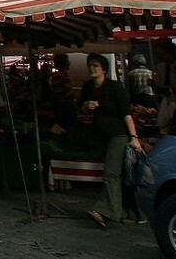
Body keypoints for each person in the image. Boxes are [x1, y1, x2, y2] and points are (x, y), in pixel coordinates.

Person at [81, 53, 143, 228]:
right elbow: (82, 107)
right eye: (90, 66)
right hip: (101, 136)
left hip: (118, 135)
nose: (92, 69)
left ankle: (104, 211)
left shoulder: (115, 87)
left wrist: (134, 137)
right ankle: (128, 212)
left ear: (104, 69)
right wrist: (87, 106)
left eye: (95, 66)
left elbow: (126, 113)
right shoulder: (88, 87)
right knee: (120, 176)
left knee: (111, 173)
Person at [50, 54, 77, 130]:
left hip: (57, 104)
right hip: (66, 105)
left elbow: (53, 90)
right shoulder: (65, 76)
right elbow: (68, 92)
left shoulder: (54, 76)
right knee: (70, 126)